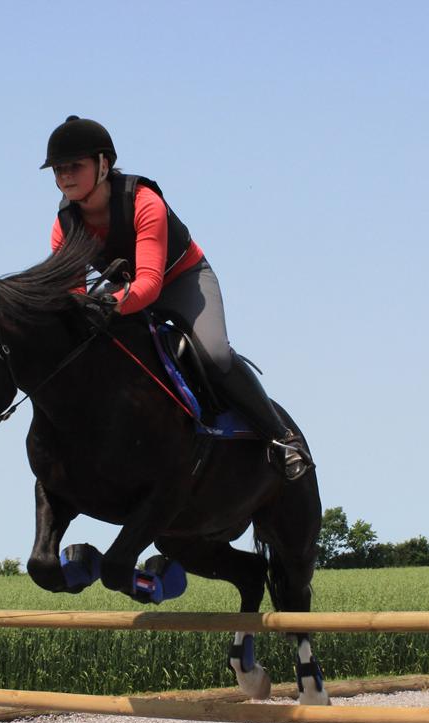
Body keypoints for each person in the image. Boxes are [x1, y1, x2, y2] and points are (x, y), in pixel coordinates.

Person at [41, 115, 313, 480]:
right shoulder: (64, 226)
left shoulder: (143, 201)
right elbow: (74, 295)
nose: (65, 176)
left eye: (74, 166)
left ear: (104, 165)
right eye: (58, 170)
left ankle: (282, 439)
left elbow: (150, 284)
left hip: (183, 280)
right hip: (123, 291)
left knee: (214, 355)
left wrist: (104, 304)